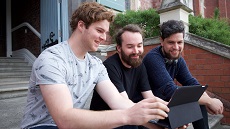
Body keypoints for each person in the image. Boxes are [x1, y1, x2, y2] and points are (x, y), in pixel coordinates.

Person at [20, 2, 170, 129]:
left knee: (127, 124)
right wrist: (127, 116)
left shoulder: (96, 65)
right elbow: (64, 118)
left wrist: (159, 121)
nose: (104, 38)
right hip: (41, 126)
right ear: (81, 25)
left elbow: (118, 101)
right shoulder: (51, 59)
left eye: (105, 32)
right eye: (99, 30)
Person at [143, 20, 224, 129]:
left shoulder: (178, 60)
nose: (176, 47)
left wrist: (207, 100)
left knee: (198, 99)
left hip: (166, 106)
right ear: (162, 41)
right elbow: (171, 90)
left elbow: (192, 83)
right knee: (196, 99)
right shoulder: (153, 58)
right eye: (171, 42)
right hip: (150, 110)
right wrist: (210, 101)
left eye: (180, 42)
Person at [90, 24, 161, 129]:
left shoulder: (138, 64)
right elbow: (124, 103)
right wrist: (154, 124)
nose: (136, 51)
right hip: (106, 121)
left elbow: (149, 97)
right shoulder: (110, 67)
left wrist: (168, 110)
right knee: (133, 123)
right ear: (119, 48)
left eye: (139, 45)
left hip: (124, 114)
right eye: (130, 46)